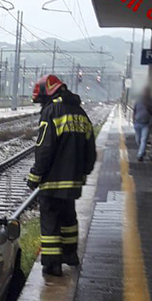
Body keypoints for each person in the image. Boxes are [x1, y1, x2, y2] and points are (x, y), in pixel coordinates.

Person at [27, 75, 97, 277]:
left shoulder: (51, 111)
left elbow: (44, 148)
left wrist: (36, 175)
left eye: (41, 100)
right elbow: (90, 151)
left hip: (52, 181)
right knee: (69, 218)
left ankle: (52, 264)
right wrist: (83, 172)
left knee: (50, 221)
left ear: (48, 93)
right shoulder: (81, 114)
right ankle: (71, 255)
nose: (41, 104)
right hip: (73, 181)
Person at [132, 87, 152, 161]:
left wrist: (149, 107)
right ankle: (142, 150)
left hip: (147, 123)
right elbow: (134, 111)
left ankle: (140, 155)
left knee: (144, 139)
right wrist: (133, 120)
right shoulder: (138, 100)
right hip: (137, 123)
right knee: (138, 140)